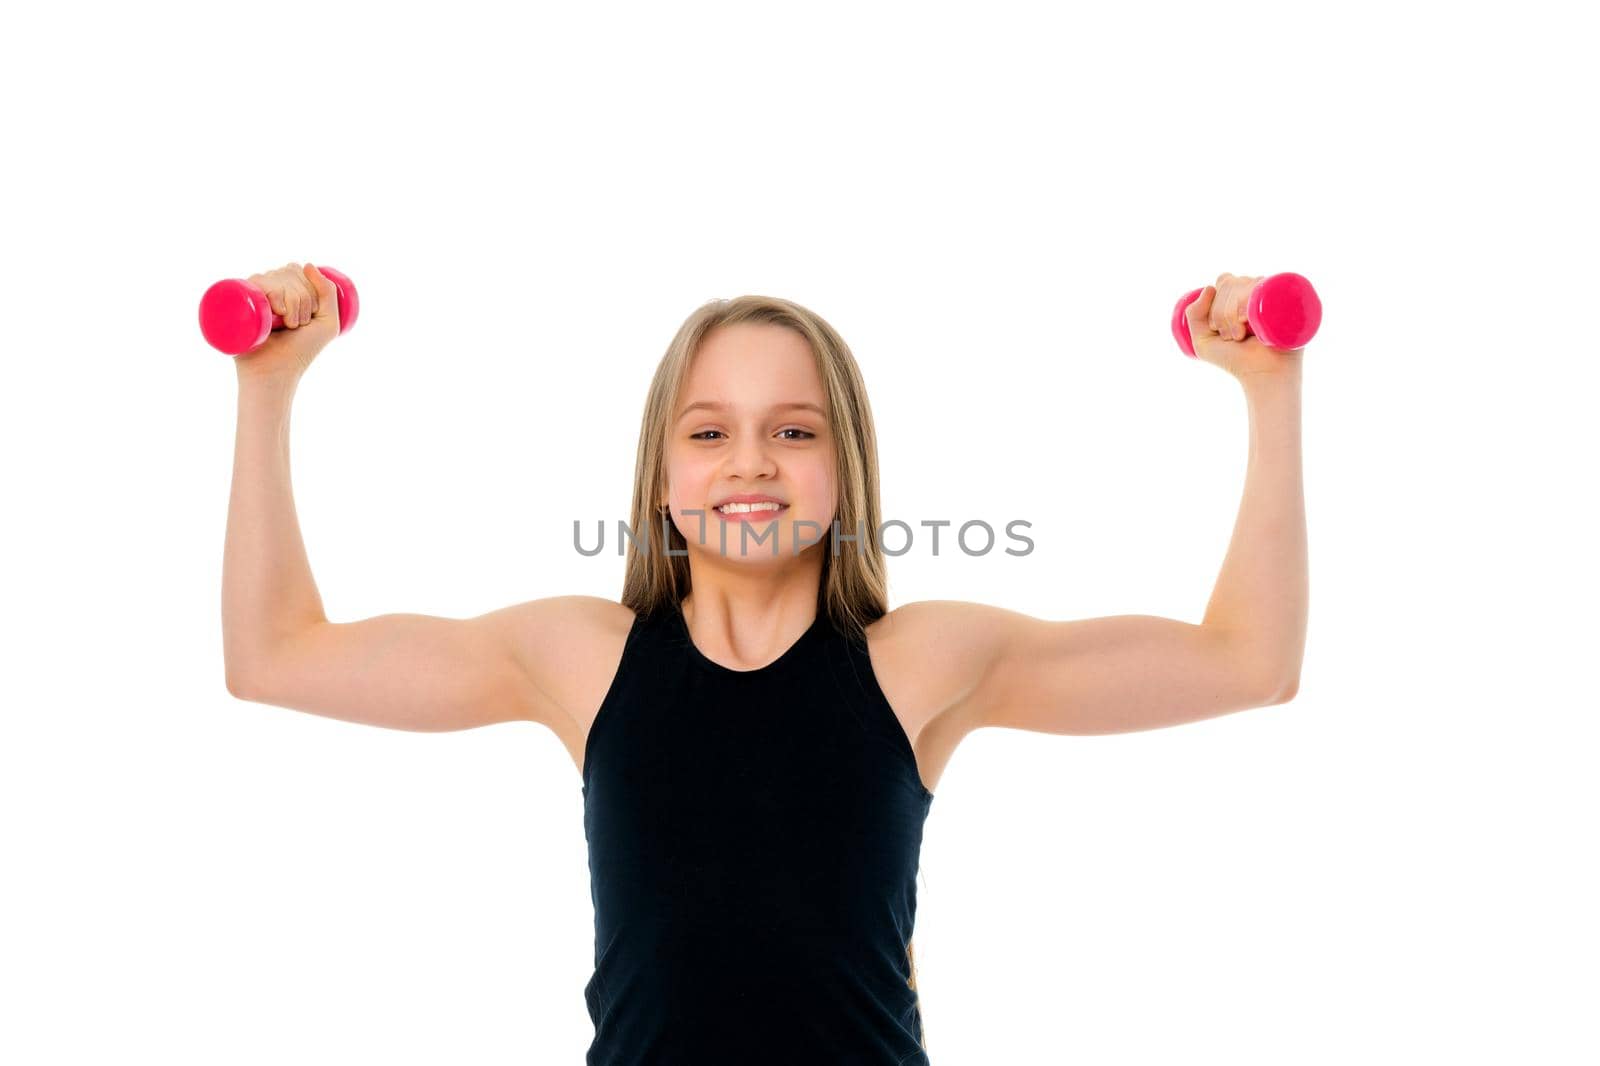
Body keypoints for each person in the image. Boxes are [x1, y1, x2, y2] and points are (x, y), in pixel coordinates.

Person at [221, 262, 1308, 1064]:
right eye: (707, 434)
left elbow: (1246, 661)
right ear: (660, 476)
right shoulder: (580, 659)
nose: (749, 460)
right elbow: (275, 657)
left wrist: (1269, 389)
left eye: (793, 432)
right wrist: (267, 386)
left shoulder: (922, 661)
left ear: (847, 469)